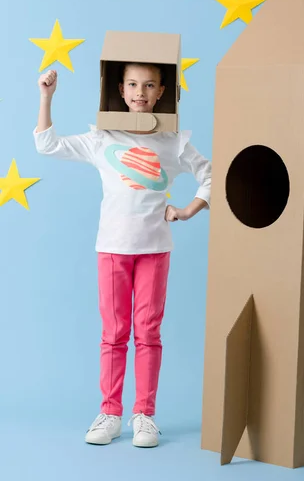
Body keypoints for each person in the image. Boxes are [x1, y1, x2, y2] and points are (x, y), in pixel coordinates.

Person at [34, 64, 212, 448]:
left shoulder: (174, 141)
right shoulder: (103, 137)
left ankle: (144, 415)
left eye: (149, 85)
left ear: (163, 91)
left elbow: (211, 175)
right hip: (112, 249)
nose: (140, 92)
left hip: (154, 250)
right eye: (132, 84)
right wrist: (46, 96)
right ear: (120, 88)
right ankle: (110, 413)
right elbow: (47, 144)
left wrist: (186, 210)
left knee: (148, 333)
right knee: (113, 334)